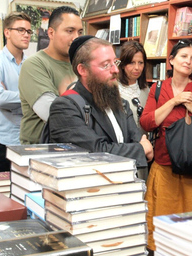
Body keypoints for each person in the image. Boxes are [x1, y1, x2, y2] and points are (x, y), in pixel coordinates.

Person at [140, 39, 192, 251]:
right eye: (183, 56)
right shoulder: (158, 89)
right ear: (171, 60)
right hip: (164, 167)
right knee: (161, 230)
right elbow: (147, 122)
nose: (188, 61)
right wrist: (173, 102)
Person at [47, 36, 153, 179]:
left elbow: (136, 140)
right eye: (106, 65)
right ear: (83, 70)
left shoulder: (121, 104)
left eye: (115, 62)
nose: (115, 69)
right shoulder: (65, 107)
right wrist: (140, 149)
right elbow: (96, 152)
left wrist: (138, 147)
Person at [19, 6, 83, 144]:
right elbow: (54, 113)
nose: (76, 37)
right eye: (69, 31)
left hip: (77, 148)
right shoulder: (34, 65)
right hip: (41, 152)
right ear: (51, 33)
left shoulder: (81, 66)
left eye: (80, 32)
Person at [0, 12, 32, 172]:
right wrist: (32, 98)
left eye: (29, 31)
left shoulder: (32, 65)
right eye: (21, 30)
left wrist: (13, 99)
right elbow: (0, 98)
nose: (26, 35)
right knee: (0, 194)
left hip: (27, 141)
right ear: (7, 32)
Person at [117, 41, 150, 135]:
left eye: (140, 63)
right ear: (123, 65)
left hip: (144, 146)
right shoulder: (113, 90)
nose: (137, 67)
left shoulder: (146, 90)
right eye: (131, 63)